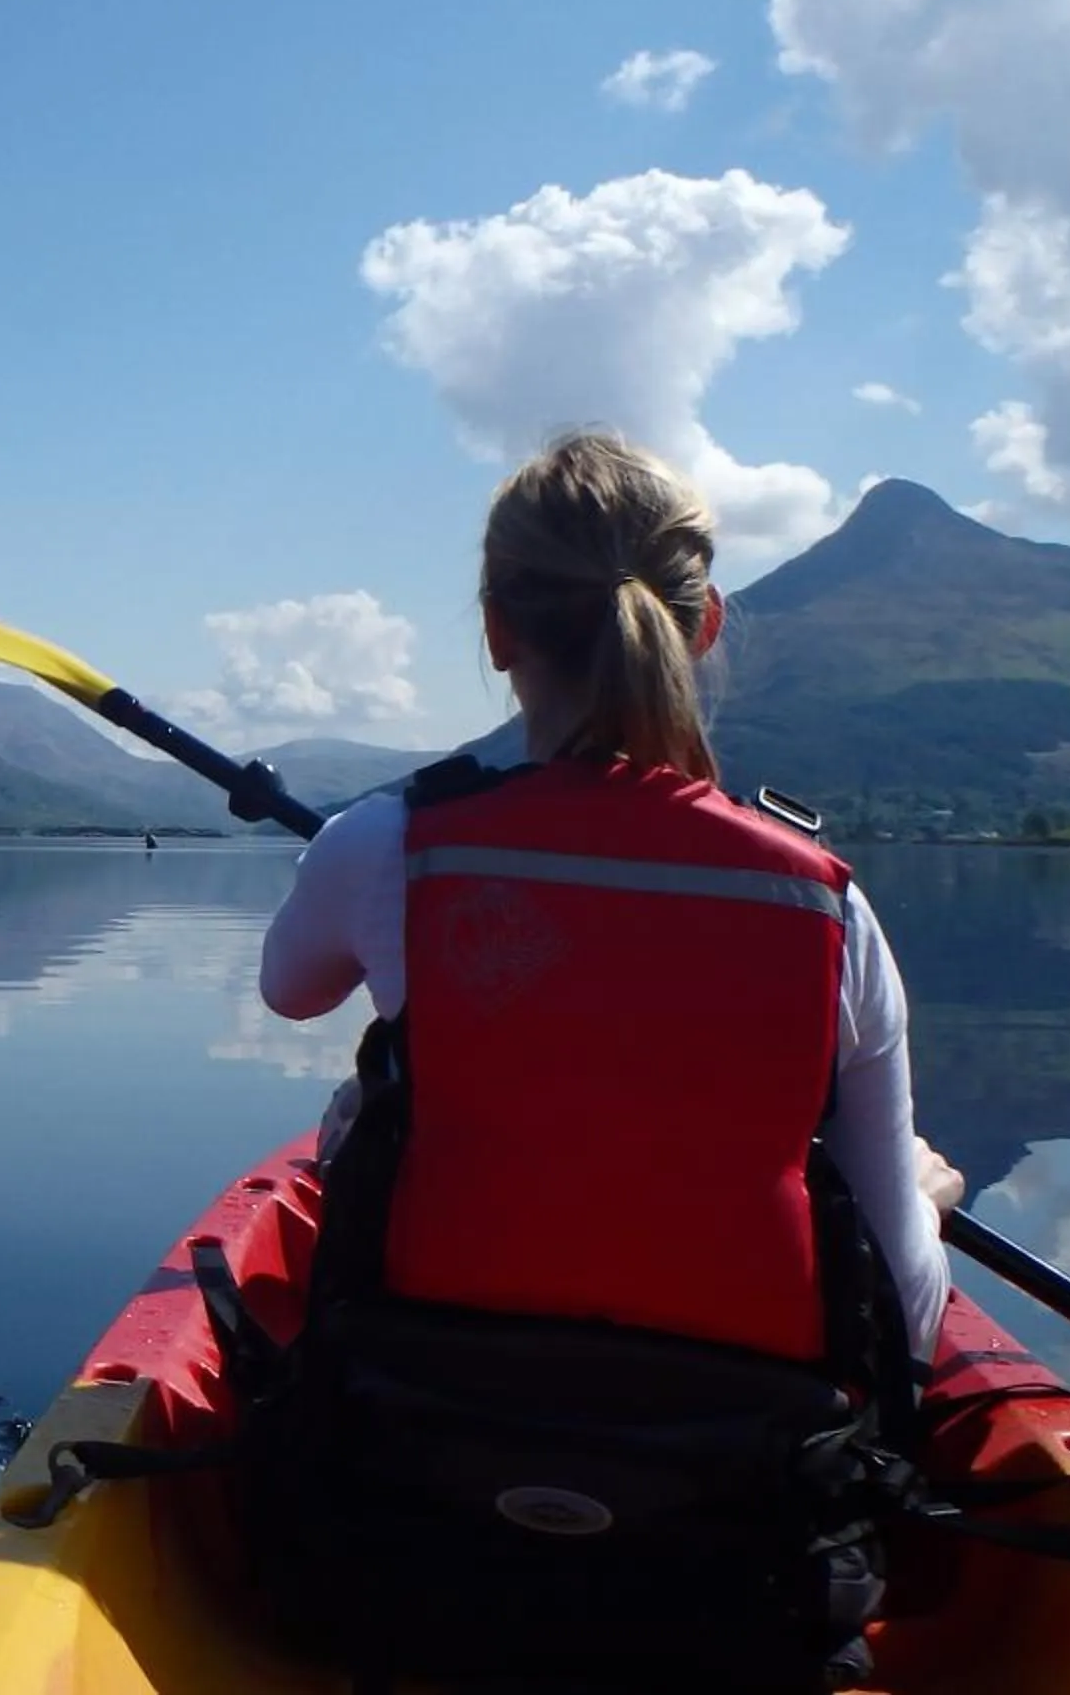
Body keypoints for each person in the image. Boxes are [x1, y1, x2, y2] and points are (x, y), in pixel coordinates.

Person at [247, 433, 966, 1692]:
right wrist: (927, 1198)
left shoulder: (389, 843)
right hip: (728, 1530)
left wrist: (378, 865)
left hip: (419, 1492)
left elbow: (290, 990)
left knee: (361, 1107)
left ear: (493, 628)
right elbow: (903, 1309)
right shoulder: (829, 907)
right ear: (706, 625)